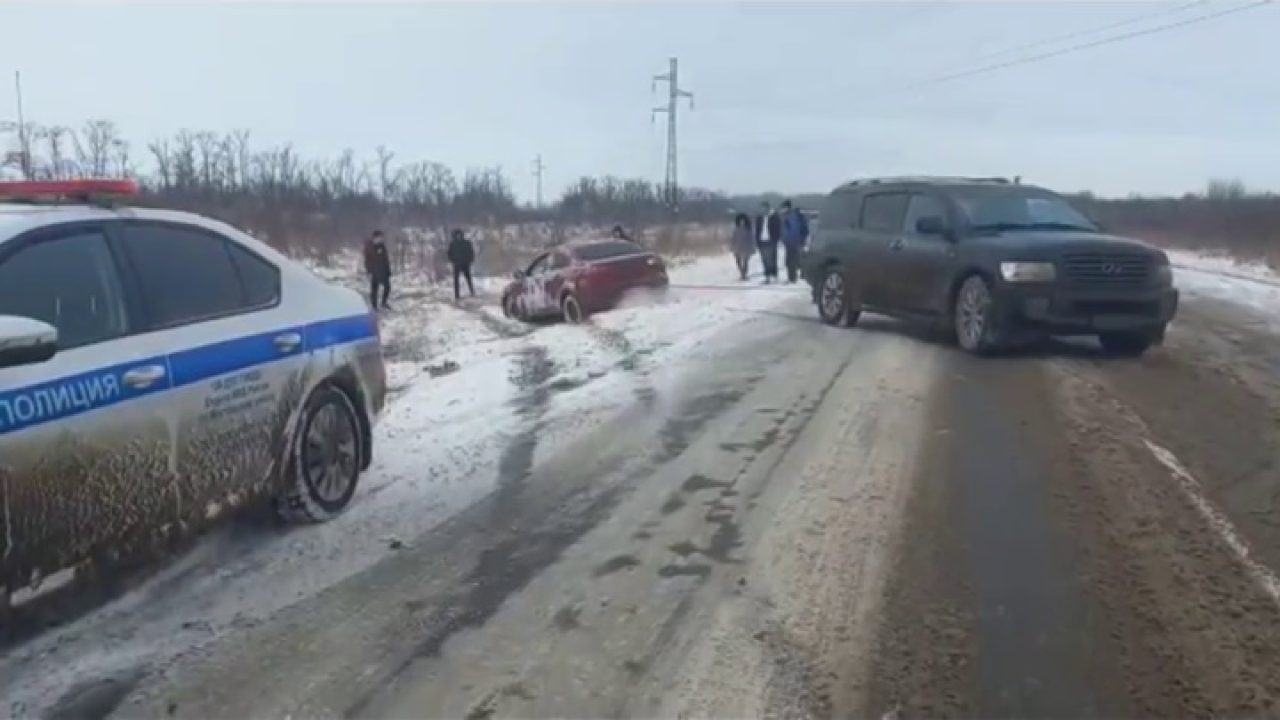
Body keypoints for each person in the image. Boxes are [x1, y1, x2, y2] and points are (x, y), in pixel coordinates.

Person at [780, 199, 810, 283]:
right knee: (789, 261)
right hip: (789, 242)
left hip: (796, 241)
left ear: (788, 207)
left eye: (784, 207)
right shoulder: (785, 216)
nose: (783, 209)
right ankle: (792, 277)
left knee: (796, 260)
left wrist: (801, 240)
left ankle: (798, 275)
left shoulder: (794, 216)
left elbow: (795, 229)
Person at [363, 229, 392, 310]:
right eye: (380, 237)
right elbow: (367, 260)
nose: (382, 239)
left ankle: (384, 303)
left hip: (382, 270)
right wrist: (369, 271)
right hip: (374, 270)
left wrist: (388, 270)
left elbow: (385, 259)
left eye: (382, 237)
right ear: (375, 237)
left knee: (387, 287)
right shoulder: (369, 246)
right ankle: (374, 306)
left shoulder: (382, 246)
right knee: (374, 289)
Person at [754, 201, 782, 284]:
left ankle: (774, 275)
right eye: (761, 208)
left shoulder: (774, 217)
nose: (762, 210)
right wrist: (757, 240)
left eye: (764, 208)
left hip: (771, 240)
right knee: (764, 259)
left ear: (767, 208)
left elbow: (778, 229)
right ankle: (767, 276)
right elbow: (757, 230)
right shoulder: (759, 218)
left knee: (772, 259)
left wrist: (776, 239)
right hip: (762, 241)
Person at [447, 228, 476, 301]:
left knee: (465, 279)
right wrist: (453, 260)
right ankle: (459, 294)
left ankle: (469, 292)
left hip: (462, 264)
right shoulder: (456, 243)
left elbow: (471, 253)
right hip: (460, 264)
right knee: (463, 279)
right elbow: (449, 254)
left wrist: (469, 261)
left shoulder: (456, 243)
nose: (458, 236)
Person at [730, 212, 755, 280]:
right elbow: (733, 238)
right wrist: (731, 247)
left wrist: (752, 247)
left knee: (745, 261)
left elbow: (752, 239)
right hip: (737, 247)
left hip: (746, 247)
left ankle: (744, 274)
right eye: (740, 221)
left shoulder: (748, 229)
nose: (742, 222)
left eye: (743, 221)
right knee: (738, 261)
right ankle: (742, 272)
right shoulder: (736, 229)